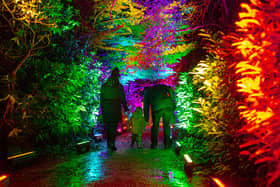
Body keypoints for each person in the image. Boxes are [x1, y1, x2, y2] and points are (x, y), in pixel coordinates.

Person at [100, 68, 129, 151]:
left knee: (108, 127)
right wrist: (126, 108)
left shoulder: (104, 85)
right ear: (117, 76)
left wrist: (102, 109)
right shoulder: (119, 86)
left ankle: (109, 143)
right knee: (113, 127)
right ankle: (112, 144)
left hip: (106, 107)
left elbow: (101, 98)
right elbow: (122, 98)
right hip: (115, 107)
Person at [143, 84, 176, 149]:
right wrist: (172, 101)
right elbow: (169, 88)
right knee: (166, 125)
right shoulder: (160, 86)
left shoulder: (147, 92)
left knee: (155, 126)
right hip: (167, 106)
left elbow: (146, 107)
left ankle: (154, 145)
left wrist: (146, 119)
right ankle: (167, 145)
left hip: (156, 108)